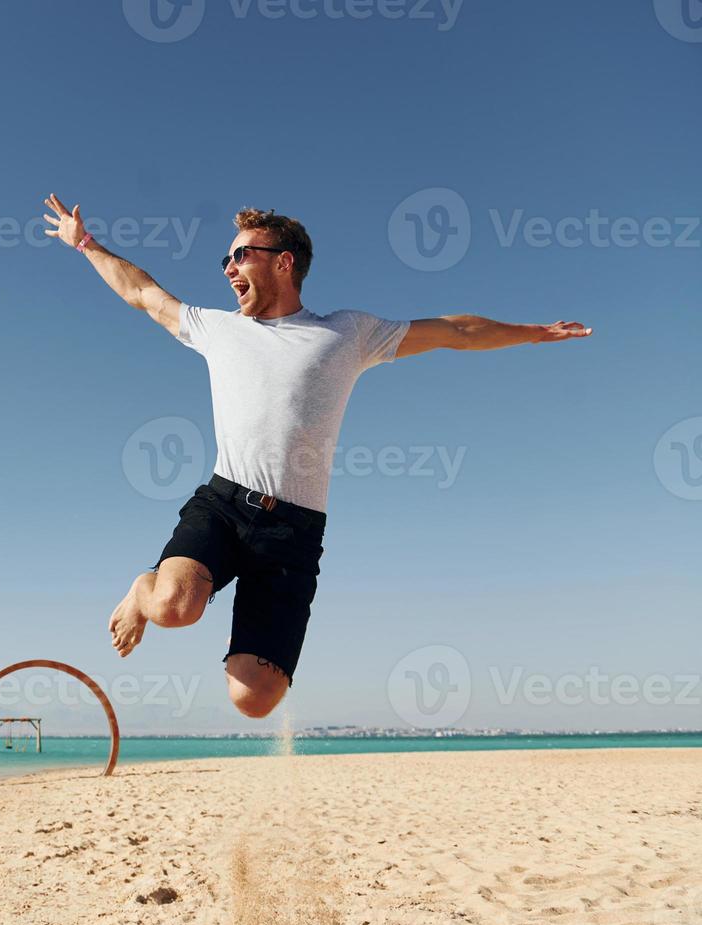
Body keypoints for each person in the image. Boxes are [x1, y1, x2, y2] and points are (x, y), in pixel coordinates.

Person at [42, 194, 591, 719]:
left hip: (295, 532)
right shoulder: (218, 329)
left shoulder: (348, 332)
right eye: (225, 258)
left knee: (254, 700)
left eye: (240, 255)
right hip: (225, 505)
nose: (228, 269)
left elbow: (455, 331)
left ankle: (214, 632)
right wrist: (84, 242)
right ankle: (147, 586)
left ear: (283, 262)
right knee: (173, 608)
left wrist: (533, 333)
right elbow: (144, 294)